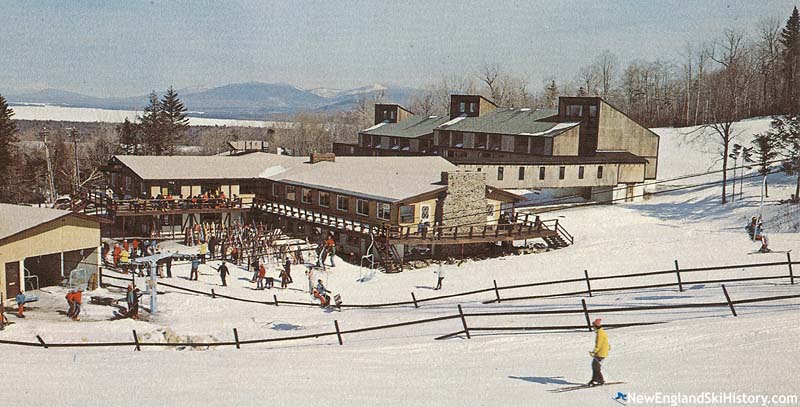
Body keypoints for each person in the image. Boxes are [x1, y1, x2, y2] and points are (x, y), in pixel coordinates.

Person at [588, 318, 610, 387]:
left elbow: (598, 344)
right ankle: (595, 379)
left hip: (601, 352)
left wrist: (593, 352)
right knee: (595, 366)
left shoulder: (600, 333)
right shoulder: (601, 332)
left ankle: (599, 379)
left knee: (596, 366)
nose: (593, 327)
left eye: (593, 326)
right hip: (603, 352)